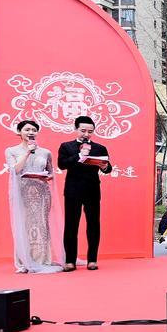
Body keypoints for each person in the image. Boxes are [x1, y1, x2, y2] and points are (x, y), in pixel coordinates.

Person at [4, 120, 63, 273]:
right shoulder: (11, 151)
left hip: (42, 192)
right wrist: (28, 153)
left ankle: (43, 259)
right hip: (22, 193)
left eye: (34, 130)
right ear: (19, 132)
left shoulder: (46, 152)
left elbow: (51, 173)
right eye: (27, 129)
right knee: (24, 224)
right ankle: (25, 261)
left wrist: (45, 176)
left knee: (42, 224)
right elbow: (15, 170)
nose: (31, 132)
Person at [57, 116, 113, 271]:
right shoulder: (66, 146)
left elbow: (108, 168)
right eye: (83, 131)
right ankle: (70, 261)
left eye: (90, 131)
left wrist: (104, 167)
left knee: (93, 225)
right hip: (72, 190)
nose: (86, 134)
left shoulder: (100, 148)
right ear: (76, 129)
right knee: (71, 226)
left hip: (92, 190)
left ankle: (92, 260)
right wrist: (80, 155)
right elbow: (61, 165)